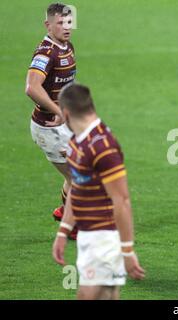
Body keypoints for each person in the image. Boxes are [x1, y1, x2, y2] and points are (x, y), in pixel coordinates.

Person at [52, 83, 145, 300]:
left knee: (87, 296)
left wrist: (127, 250)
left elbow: (121, 201)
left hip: (105, 239)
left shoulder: (104, 147)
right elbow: (77, 189)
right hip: (87, 237)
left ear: (65, 114)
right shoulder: (76, 143)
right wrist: (63, 231)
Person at [25, 3, 77, 238]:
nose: (66, 27)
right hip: (49, 129)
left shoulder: (66, 46)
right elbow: (32, 88)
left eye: (68, 22)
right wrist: (57, 110)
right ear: (48, 25)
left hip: (64, 124)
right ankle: (71, 227)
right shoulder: (46, 53)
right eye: (60, 23)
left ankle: (64, 211)